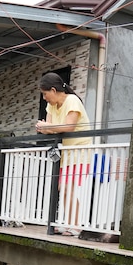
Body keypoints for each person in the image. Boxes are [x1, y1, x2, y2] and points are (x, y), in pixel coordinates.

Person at [36, 72, 93, 237]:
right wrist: (46, 127)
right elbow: (52, 129)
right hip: (67, 152)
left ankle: (75, 225)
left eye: (45, 94)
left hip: (79, 150)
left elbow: (68, 127)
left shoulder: (72, 101)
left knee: (68, 188)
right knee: (62, 188)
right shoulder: (52, 106)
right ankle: (67, 223)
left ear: (53, 90)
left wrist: (47, 126)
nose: (44, 98)